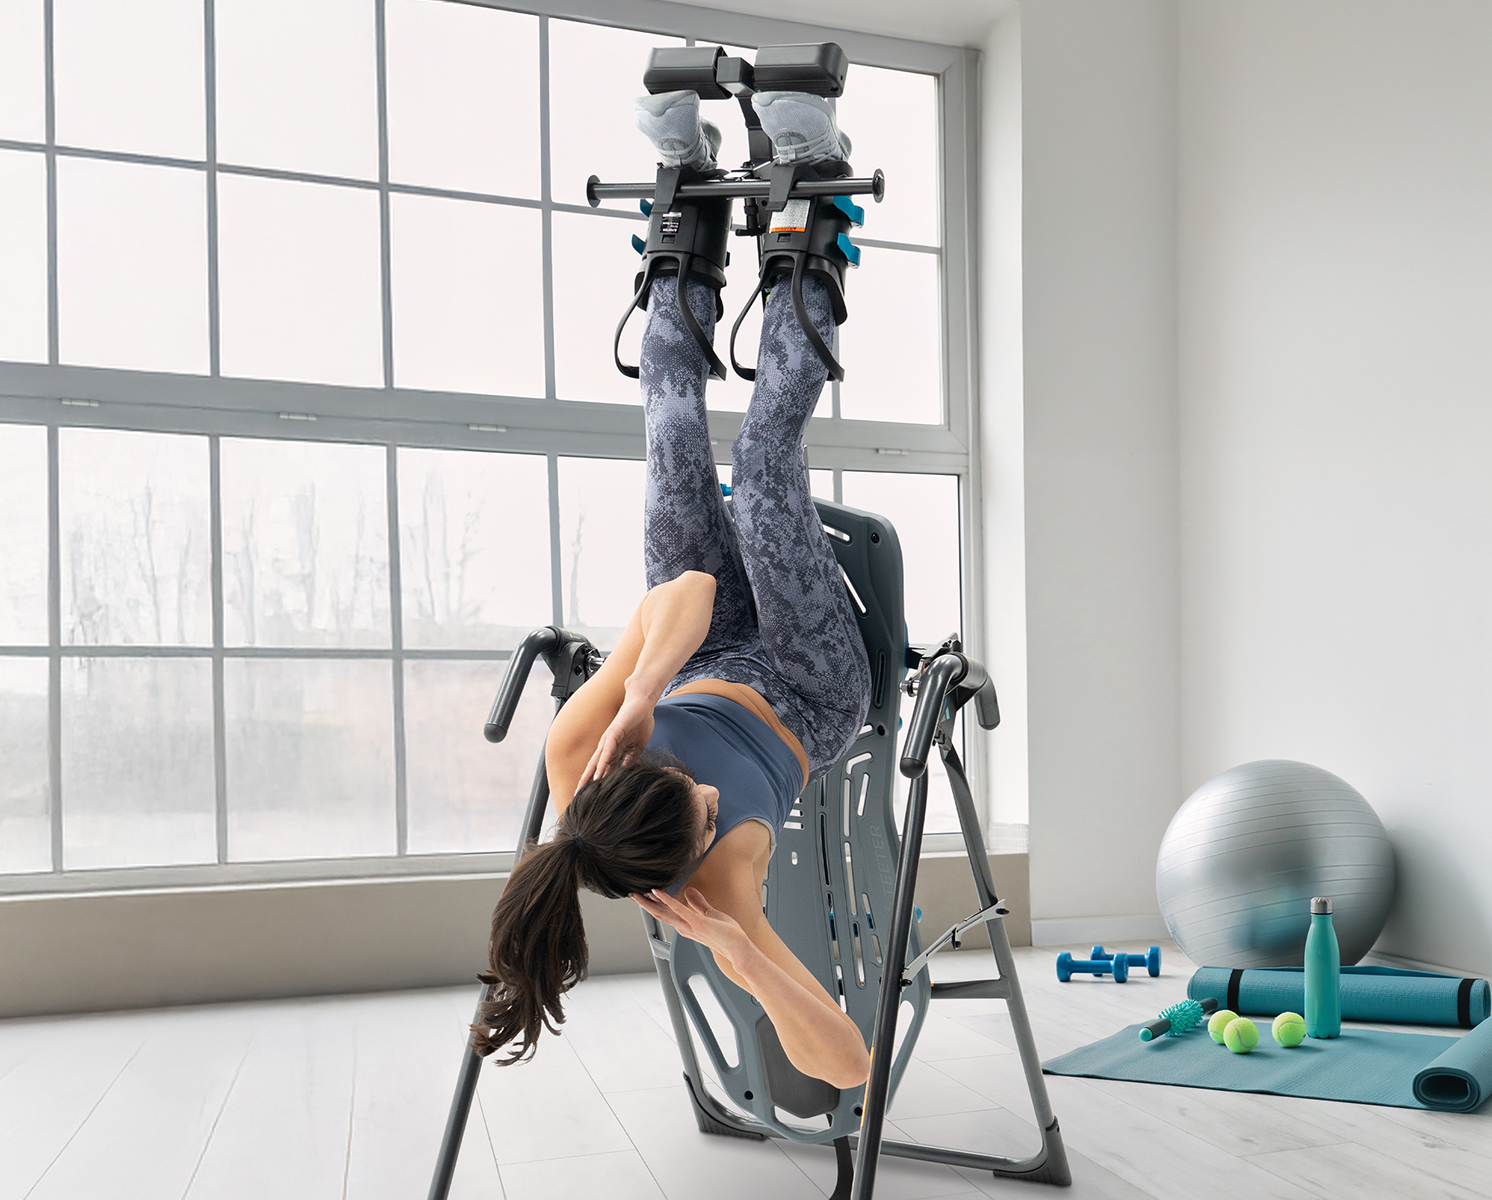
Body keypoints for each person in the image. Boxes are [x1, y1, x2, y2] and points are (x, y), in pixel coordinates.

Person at [472, 90, 871, 1090]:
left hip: (700, 649)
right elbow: (848, 1065)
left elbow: (687, 587)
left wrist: (644, 692)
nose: (704, 792)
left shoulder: (580, 756)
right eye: (706, 807)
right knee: (768, 465)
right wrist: (745, 958)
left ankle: (682, 231)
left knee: (671, 439)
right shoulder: (719, 894)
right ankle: (809, 206)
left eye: (679, 784)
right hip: (808, 694)